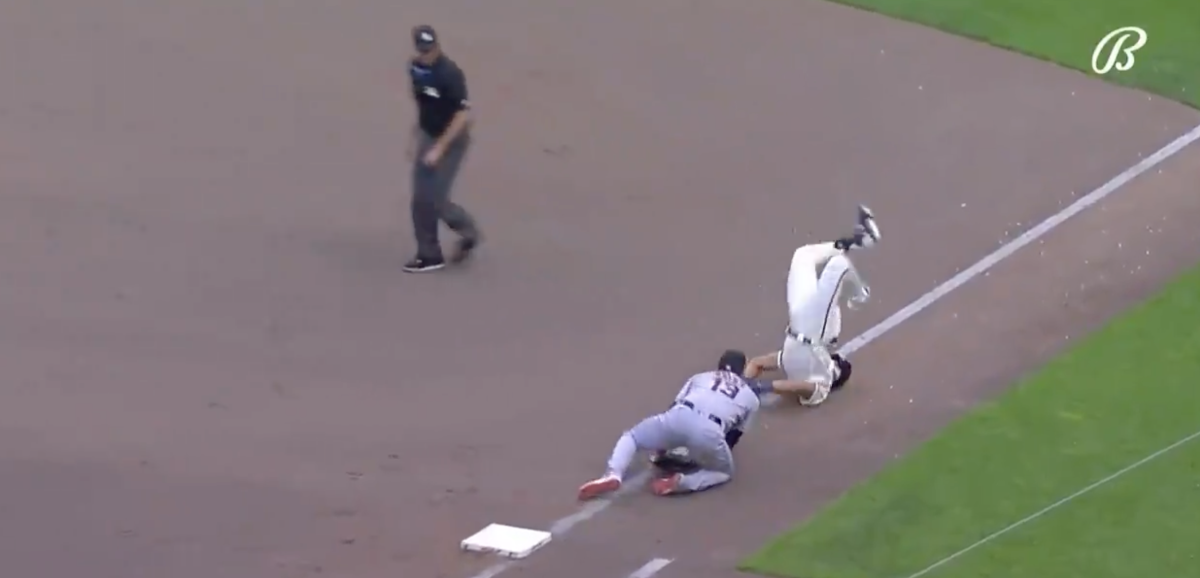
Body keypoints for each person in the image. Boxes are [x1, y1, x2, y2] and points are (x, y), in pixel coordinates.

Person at [744, 205, 882, 405]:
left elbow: (757, 363)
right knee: (838, 265)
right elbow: (806, 387)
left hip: (799, 321)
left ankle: (861, 242)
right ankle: (859, 293)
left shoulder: (796, 365)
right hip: (817, 332)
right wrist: (764, 387)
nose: (835, 361)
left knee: (803, 256)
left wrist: (741, 385)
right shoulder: (822, 379)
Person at [577, 350, 761, 499]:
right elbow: (734, 436)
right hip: (709, 430)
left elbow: (673, 406)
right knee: (723, 473)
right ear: (742, 370)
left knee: (632, 437)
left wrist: (664, 446)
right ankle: (681, 482)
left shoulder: (701, 377)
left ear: (719, 365)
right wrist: (710, 456)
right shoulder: (751, 397)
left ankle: (613, 474)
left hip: (680, 414)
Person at [403, 25, 482, 273]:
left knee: (436, 199)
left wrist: (439, 148)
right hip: (429, 136)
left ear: (437, 45)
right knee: (420, 200)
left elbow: (463, 115)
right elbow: (424, 105)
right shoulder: (415, 68)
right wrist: (415, 136)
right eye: (423, 50)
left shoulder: (449, 73)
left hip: (453, 140)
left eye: (431, 49)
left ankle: (469, 232)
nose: (427, 54)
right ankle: (429, 255)